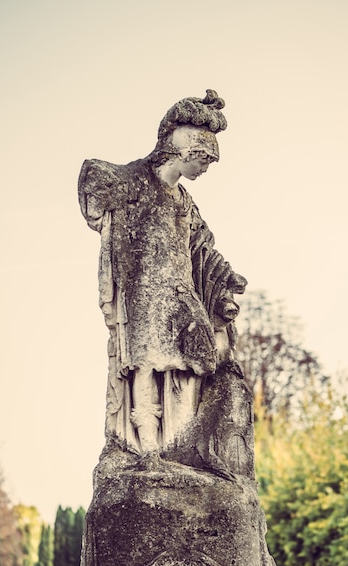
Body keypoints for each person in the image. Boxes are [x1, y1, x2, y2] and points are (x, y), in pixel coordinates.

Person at [78, 90, 246, 460]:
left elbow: (202, 247)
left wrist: (225, 278)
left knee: (195, 361)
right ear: (183, 152)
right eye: (203, 159)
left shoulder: (183, 200)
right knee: (144, 365)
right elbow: (93, 189)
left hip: (181, 294)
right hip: (143, 294)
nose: (205, 169)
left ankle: (179, 444)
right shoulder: (131, 182)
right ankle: (147, 447)